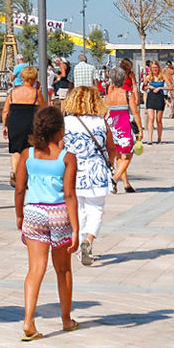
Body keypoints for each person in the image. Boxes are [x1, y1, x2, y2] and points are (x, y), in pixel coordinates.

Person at [14, 104, 80, 340]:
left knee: (35, 269)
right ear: (60, 130)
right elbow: (70, 194)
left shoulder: (27, 155)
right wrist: (76, 228)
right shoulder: (67, 158)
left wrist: (19, 215)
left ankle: (28, 320)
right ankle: (66, 319)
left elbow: (20, 188)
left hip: (34, 212)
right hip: (59, 213)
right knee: (63, 269)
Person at [61, 87, 113, 267]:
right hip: (96, 170)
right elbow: (111, 147)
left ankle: (83, 242)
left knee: (79, 209)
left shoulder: (66, 122)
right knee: (96, 208)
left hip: (73, 170)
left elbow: (60, 147)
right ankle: (88, 241)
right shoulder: (101, 122)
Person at [104, 64, 137, 191]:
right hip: (124, 126)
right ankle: (115, 178)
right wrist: (139, 129)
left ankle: (125, 184)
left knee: (119, 155)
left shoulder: (109, 95)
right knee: (128, 153)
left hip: (112, 126)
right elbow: (135, 113)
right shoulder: (127, 94)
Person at [6, 66, 42, 162]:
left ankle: (14, 171)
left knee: (16, 151)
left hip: (14, 123)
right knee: (31, 150)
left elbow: (5, 111)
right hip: (30, 124)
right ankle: (26, 172)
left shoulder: (12, 93)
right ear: (35, 78)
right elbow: (44, 110)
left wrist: (5, 125)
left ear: (22, 77)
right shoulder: (36, 94)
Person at [142, 61, 168, 143]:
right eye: (153, 68)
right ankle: (150, 139)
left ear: (158, 68)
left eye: (156, 67)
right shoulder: (148, 77)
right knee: (151, 118)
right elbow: (143, 87)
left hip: (160, 97)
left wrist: (160, 88)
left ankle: (159, 138)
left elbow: (171, 87)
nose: (154, 69)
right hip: (151, 98)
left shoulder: (163, 77)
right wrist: (148, 86)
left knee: (158, 119)